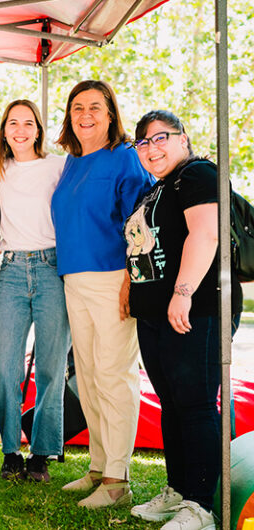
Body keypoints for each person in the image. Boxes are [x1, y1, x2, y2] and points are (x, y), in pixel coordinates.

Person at [126, 110, 241, 530]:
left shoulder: (197, 174)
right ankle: (178, 489)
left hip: (198, 308)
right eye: (144, 142)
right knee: (172, 405)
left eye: (161, 138)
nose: (152, 148)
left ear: (183, 139)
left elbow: (206, 233)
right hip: (156, 315)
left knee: (195, 404)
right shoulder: (157, 188)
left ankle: (202, 505)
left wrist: (183, 293)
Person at [50, 80, 153, 508]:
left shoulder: (125, 157)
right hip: (74, 279)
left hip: (113, 278)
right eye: (77, 107)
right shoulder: (72, 161)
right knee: (89, 377)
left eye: (95, 107)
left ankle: (117, 479)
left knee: (114, 375)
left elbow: (141, 225)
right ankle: (97, 466)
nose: (85, 115)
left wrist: (131, 280)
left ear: (111, 114)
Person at [0, 100, 71, 483]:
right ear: (4, 130)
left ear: (38, 129)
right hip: (11, 270)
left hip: (52, 266)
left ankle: (41, 453)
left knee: (52, 366)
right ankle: (10, 451)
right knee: (4, 365)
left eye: (28, 123)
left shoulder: (58, 165)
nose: (20, 130)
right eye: (13, 123)